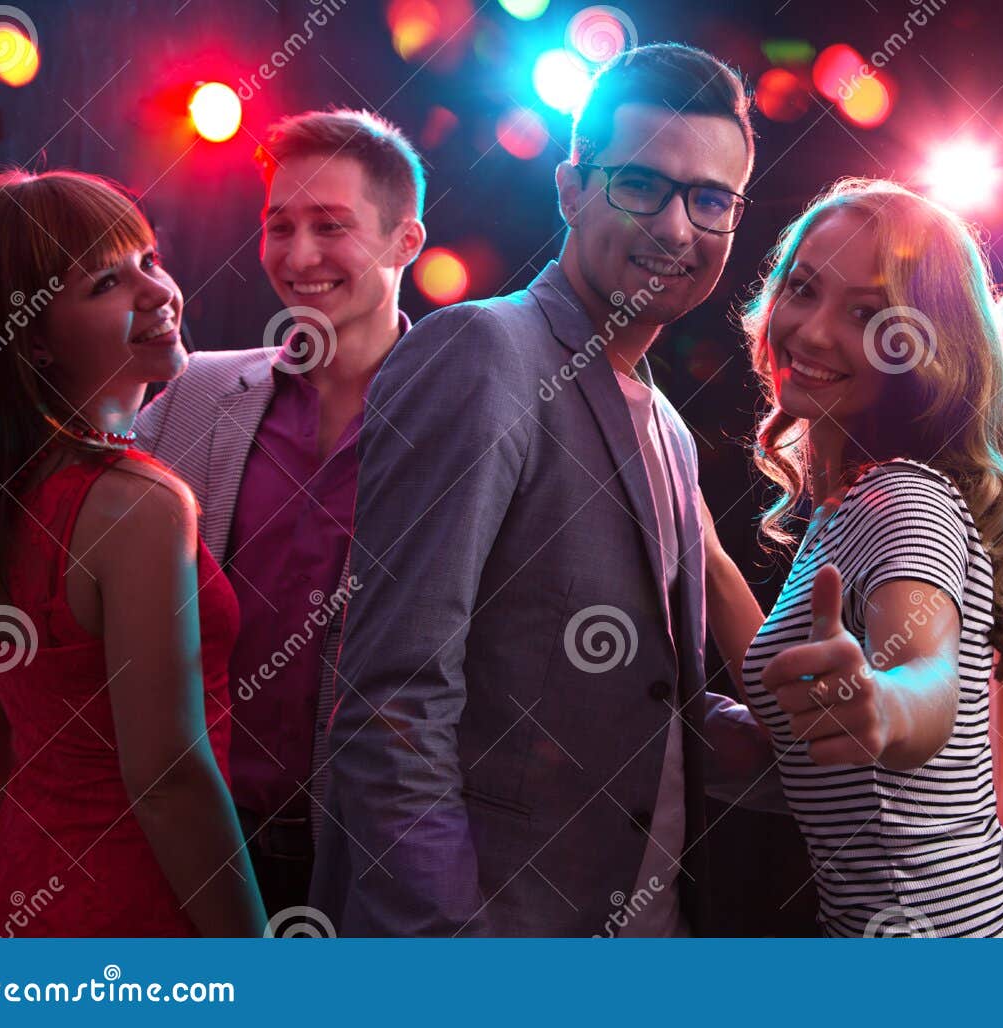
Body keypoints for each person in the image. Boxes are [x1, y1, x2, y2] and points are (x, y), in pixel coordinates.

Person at [312, 43, 780, 937]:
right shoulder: (487, 351)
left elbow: (635, 702)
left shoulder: (671, 431)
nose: (678, 228)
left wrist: (809, 751)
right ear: (570, 188)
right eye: (641, 184)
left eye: (710, 199)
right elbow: (392, 704)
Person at [697, 176, 1003, 937]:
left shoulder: (902, 498)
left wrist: (888, 701)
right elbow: (784, 680)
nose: (813, 330)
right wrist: (697, 546)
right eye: (803, 288)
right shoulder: (853, 500)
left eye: (867, 314)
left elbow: (924, 674)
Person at [0, 170, 265, 936]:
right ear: (32, 338)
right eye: (106, 282)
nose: (158, 292)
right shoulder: (143, 506)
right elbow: (168, 779)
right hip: (137, 917)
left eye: (150, 260)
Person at [135, 108, 426, 917]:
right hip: (197, 836)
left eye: (330, 227)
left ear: (407, 241)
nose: (299, 257)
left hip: (376, 857)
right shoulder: (194, 393)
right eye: (280, 226)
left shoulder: (460, 420)